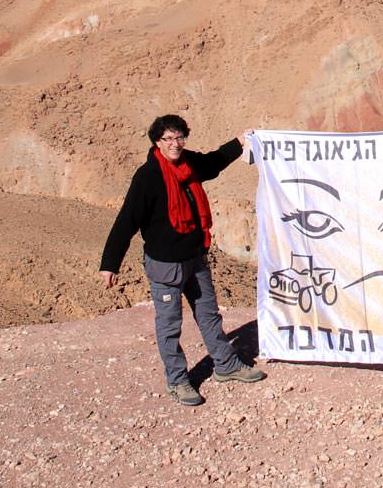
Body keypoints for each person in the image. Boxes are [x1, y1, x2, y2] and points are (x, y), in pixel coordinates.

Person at [99, 114, 266, 406]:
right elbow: (126, 221)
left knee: (208, 314)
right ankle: (178, 381)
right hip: (166, 264)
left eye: (180, 137)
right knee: (169, 323)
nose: (175, 144)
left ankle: (226, 365)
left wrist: (240, 142)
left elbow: (213, 163)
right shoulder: (148, 178)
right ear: (157, 142)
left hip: (195, 258)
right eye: (169, 139)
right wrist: (109, 264)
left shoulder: (188, 164)